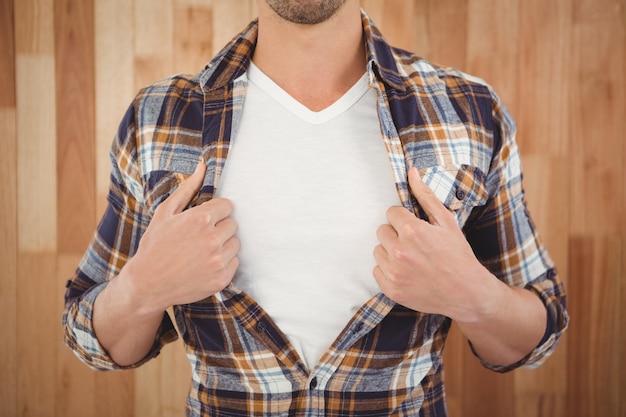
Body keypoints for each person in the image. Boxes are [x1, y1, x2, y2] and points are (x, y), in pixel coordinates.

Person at [62, 1, 568, 415]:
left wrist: (472, 294)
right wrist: (142, 289)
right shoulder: (158, 119)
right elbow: (93, 339)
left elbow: (536, 333)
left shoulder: (468, 110)